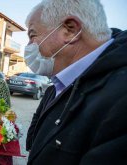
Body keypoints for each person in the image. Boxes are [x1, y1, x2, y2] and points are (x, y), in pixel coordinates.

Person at [24, 0, 127, 164]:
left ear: (70, 30)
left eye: (32, 35)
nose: (29, 46)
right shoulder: (58, 84)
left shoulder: (120, 99)